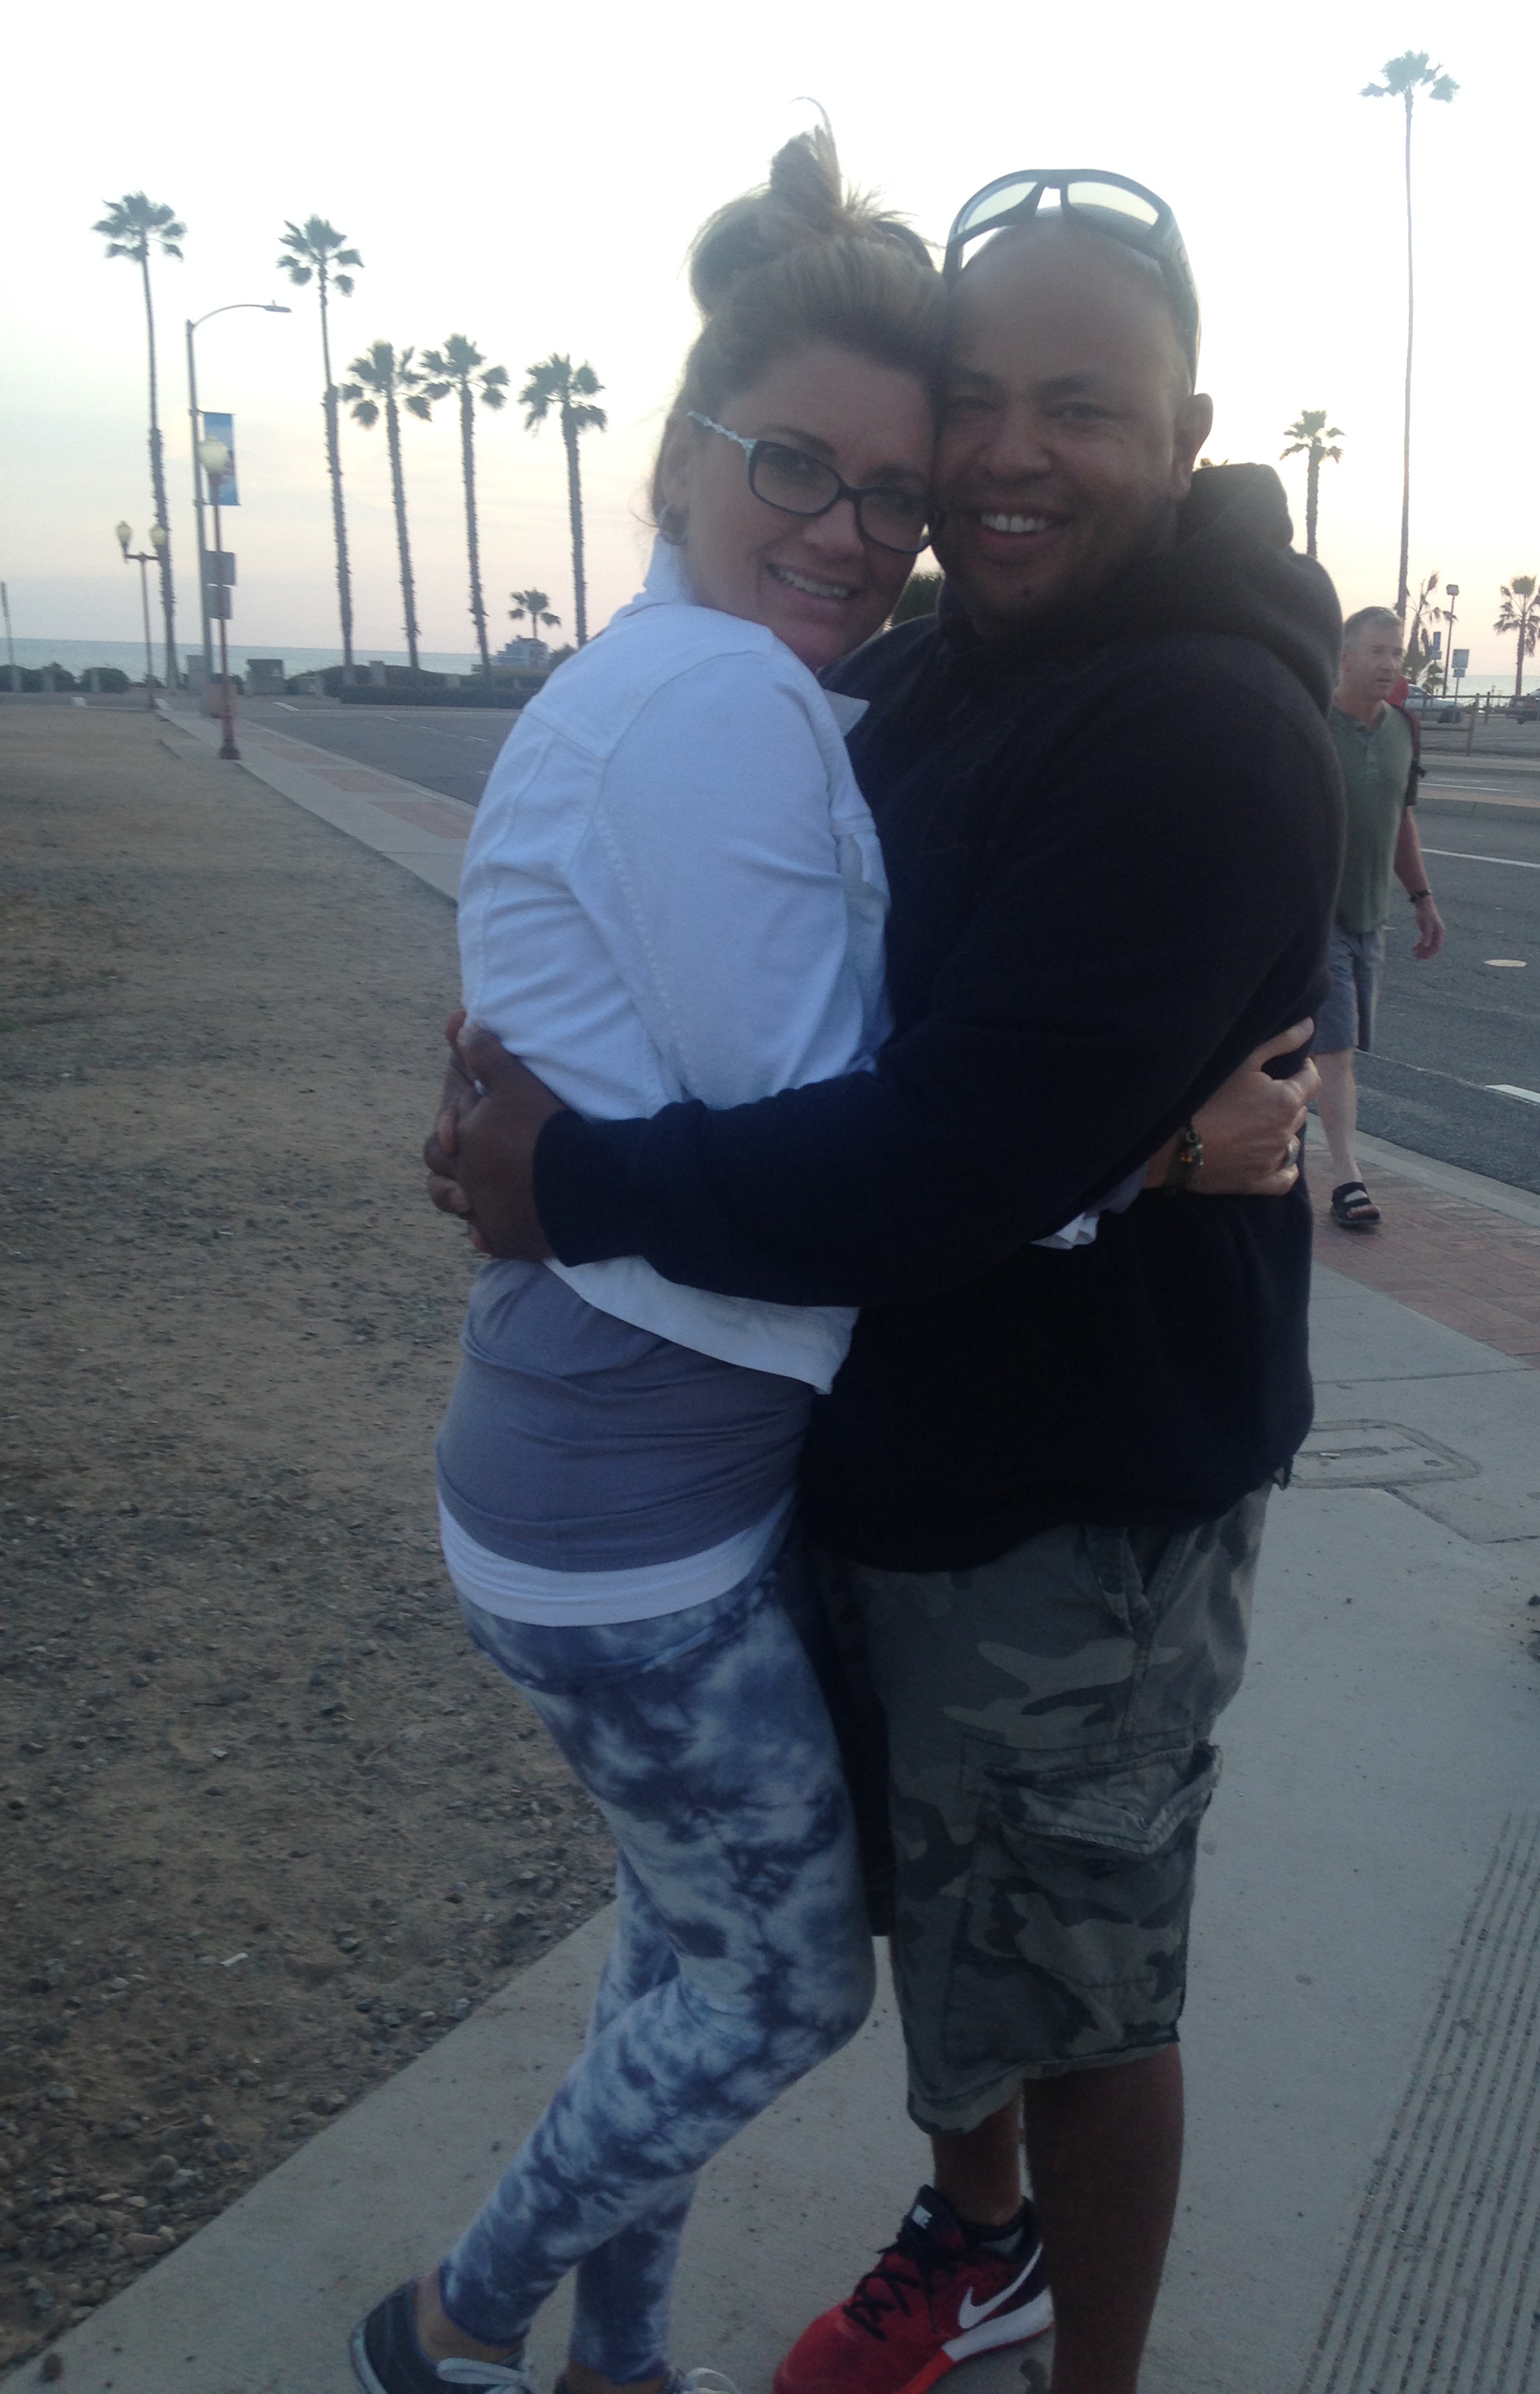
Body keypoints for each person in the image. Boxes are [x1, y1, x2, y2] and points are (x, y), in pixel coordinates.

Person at [427, 167, 1343, 2394]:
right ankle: (977, 2235)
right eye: (973, 408)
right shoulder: (932, 663)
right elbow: (775, 993)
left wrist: (577, 1179)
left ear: (1184, 429)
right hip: (876, 1442)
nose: (1005, 456)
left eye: (1079, 406)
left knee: (1078, 1976)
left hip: (1071, 1498)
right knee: (950, 1927)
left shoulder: (1201, 726)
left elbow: (941, 1148)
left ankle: (1080, 2357)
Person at [351, 128, 945, 2394]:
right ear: (687, 453)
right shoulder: (718, 698)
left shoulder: (666, 676)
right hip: (629, 1518)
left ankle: (625, 2357)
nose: (850, 530)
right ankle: (457, 2317)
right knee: (783, 1986)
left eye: (893, 496)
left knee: (683, 1939)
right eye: (798, 463)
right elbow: (814, 1135)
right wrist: (1140, 1154)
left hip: (594, 1466)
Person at [1314, 604, 1446, 1229]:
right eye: (1378, 652)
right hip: (1314, 918)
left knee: (1322, 1048)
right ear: (1345, 658)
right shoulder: (1313, 722)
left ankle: (1276, 1141)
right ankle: (1348, 1180)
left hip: (1372, 916)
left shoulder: (1403, 729)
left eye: (1396, 653)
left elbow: (1401, 820)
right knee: (1335, 1049)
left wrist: (1422, 899)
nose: (1390, 664)